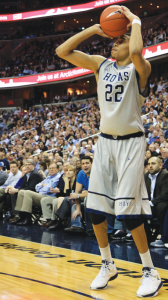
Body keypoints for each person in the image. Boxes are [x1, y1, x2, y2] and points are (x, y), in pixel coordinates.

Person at [56, 5, 162, 297]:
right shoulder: (101, 64)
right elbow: (62, 51)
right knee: (95, 210)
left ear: (133, 42)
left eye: (121, 40)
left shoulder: (140, 68)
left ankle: (150, 271)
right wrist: (93, 29)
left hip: (131, 142)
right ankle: (107, 264)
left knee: (128, 213)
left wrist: (134, 21)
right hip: (104, 142)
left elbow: (139, 52)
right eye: (115, 40)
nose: (115, 42)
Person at [144, 157, 168, 248]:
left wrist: (151, 203)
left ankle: (163, 237)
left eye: (153, 164)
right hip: (151, 204)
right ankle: (147, 237)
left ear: (160, 165)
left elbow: (165, 194)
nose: (150, 166)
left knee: (162, 206)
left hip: (160, 203)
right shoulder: (146, 176)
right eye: (149, 164)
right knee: (137, 209)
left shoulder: (165, 175)